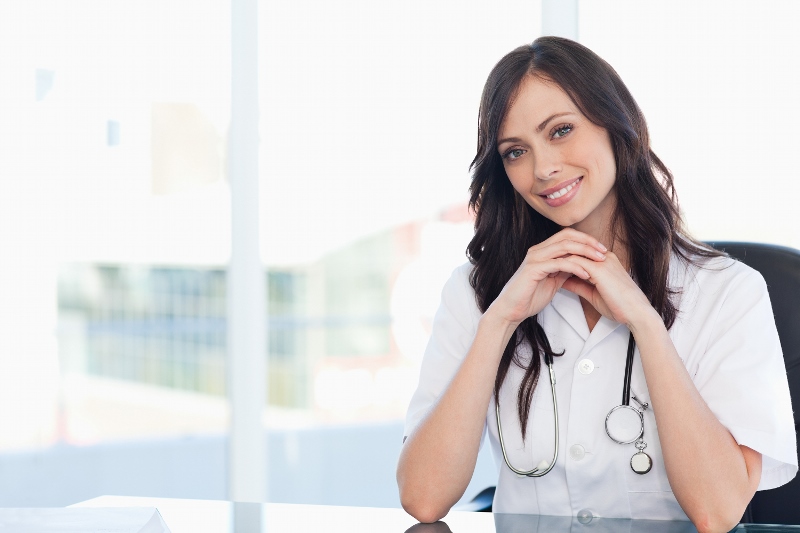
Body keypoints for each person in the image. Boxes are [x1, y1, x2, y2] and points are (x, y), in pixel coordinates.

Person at [396, 37, 797, 532]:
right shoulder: (476, 292)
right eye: (516, 152)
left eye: (561, 130)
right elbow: (424, 498)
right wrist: (499, 321)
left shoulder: (728, 293)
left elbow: (717, 512)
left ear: (615, 123)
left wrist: (645, 324)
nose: (543, 169)